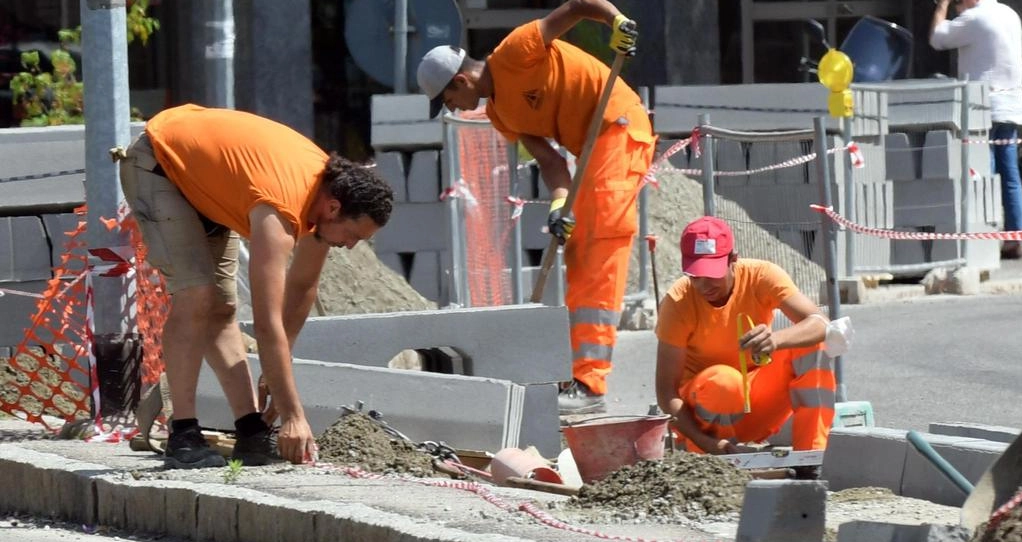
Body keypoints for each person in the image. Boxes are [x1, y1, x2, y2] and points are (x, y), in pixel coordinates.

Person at [118, 104, 394, 468]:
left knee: (223, 308)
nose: (351, 246)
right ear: (334, 207)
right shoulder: (279, 211)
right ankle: (183, 435)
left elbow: (303, 287)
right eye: (353, 235)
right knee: (197, 295)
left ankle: (250, 430)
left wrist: (278, 375)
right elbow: (266, 323)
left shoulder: (322, 200)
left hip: (202, 180)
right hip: (159, 162)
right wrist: (294, 415)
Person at [415, 0, 653, 415]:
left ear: (459, 81)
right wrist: (559, 205)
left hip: (618, 127)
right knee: (579, 254)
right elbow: (551, 162)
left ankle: (591, 383)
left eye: (447, 100)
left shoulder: (514, 51)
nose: (453, 109)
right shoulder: (501, 114)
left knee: (598, 251)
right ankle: (580, 374)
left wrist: (615, 20)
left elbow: (578, 6)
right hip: (590, 152)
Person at [654, 217, 836, 475]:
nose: (704, 286)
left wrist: (776, 340)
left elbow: (821, 324)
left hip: (754, 407)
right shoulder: (678, 301)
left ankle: (810, 460)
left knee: (811, 346)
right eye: (696, 276)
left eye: (712, 274)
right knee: (724, 381)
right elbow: (666, 392)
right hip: (705, 425)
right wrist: (708, 443)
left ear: (733, 260)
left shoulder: (761, 276)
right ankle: (719, 461)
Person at [930, 0, 1022, 260]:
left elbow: (938, 38)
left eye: (958, 4)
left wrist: (941, 6)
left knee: (984, 174)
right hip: (1011, 107)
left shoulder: (975, 18)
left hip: (983, 108)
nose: (957, 10)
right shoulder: (1009, 13)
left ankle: (987, 235)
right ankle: (1015, 237)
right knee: (1010, 174)